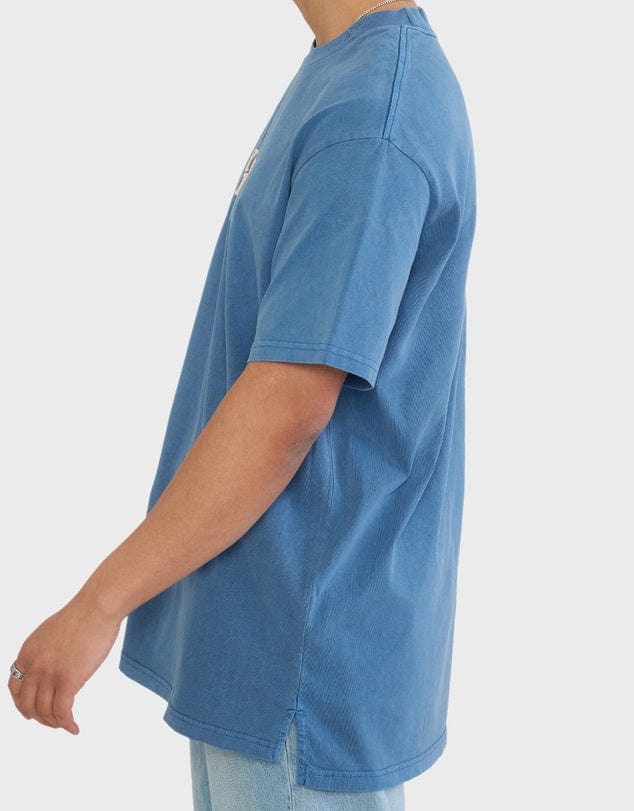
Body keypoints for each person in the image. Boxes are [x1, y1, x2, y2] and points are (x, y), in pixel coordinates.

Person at [7, 1, 476, 808]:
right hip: (275, 648)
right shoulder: (344, 69)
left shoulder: (372, 114)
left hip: (298, 667)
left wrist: (100, 601)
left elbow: (286, 407)